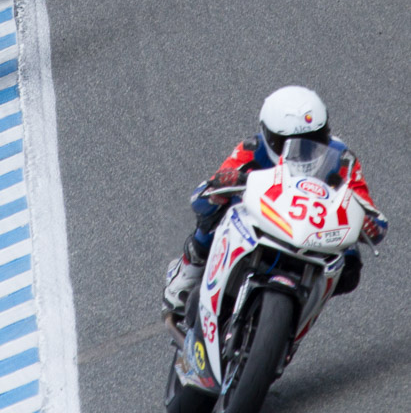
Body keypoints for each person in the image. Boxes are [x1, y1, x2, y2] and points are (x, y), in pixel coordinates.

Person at [163, 85, 388, 313]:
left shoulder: (342, 157)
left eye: (314, 139)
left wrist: (368, 223)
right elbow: (200, 198)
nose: (301, 150)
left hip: (310, 231)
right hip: (262, 221)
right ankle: (189, 270)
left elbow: (370, 212)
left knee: (350, 264)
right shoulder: (252, 149)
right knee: (216, 212)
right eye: (286, 142)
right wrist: (222, 187)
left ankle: (304, 307)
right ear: (268, 136)